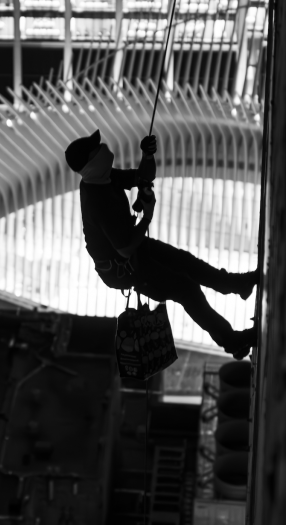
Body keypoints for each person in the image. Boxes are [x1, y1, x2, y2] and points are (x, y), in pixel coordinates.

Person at [65, 129, 259, 357]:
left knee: (186, 262)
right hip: (126, 268)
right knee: (186, 289)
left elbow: (144, 177)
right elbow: (124, 248)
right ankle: (232, 341)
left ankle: (237, 285)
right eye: (96, 150)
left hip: (134, 251)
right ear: (89, 163)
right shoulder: (97, 202)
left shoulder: (102, 177)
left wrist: (148, 155)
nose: (103, 149)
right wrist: (147, 215)